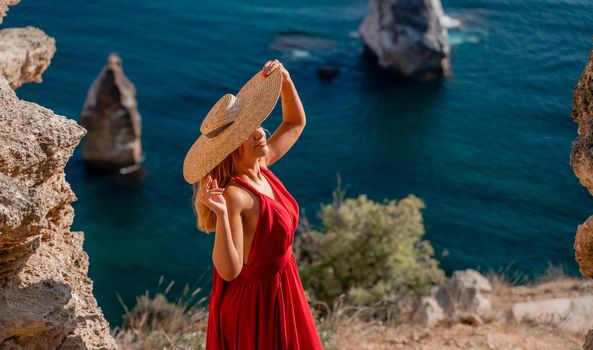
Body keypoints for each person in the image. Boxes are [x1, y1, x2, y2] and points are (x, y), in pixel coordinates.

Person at [182, 59, 324, 349]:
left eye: (256, 125)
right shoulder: (237, 196)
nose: (259, 133)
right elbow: (229, 271)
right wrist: (221, 214)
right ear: (231, 151)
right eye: (246, 133)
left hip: (284, 284)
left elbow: (296, 123)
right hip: (257, 303)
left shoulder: (262, 165)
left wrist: (285, 82)